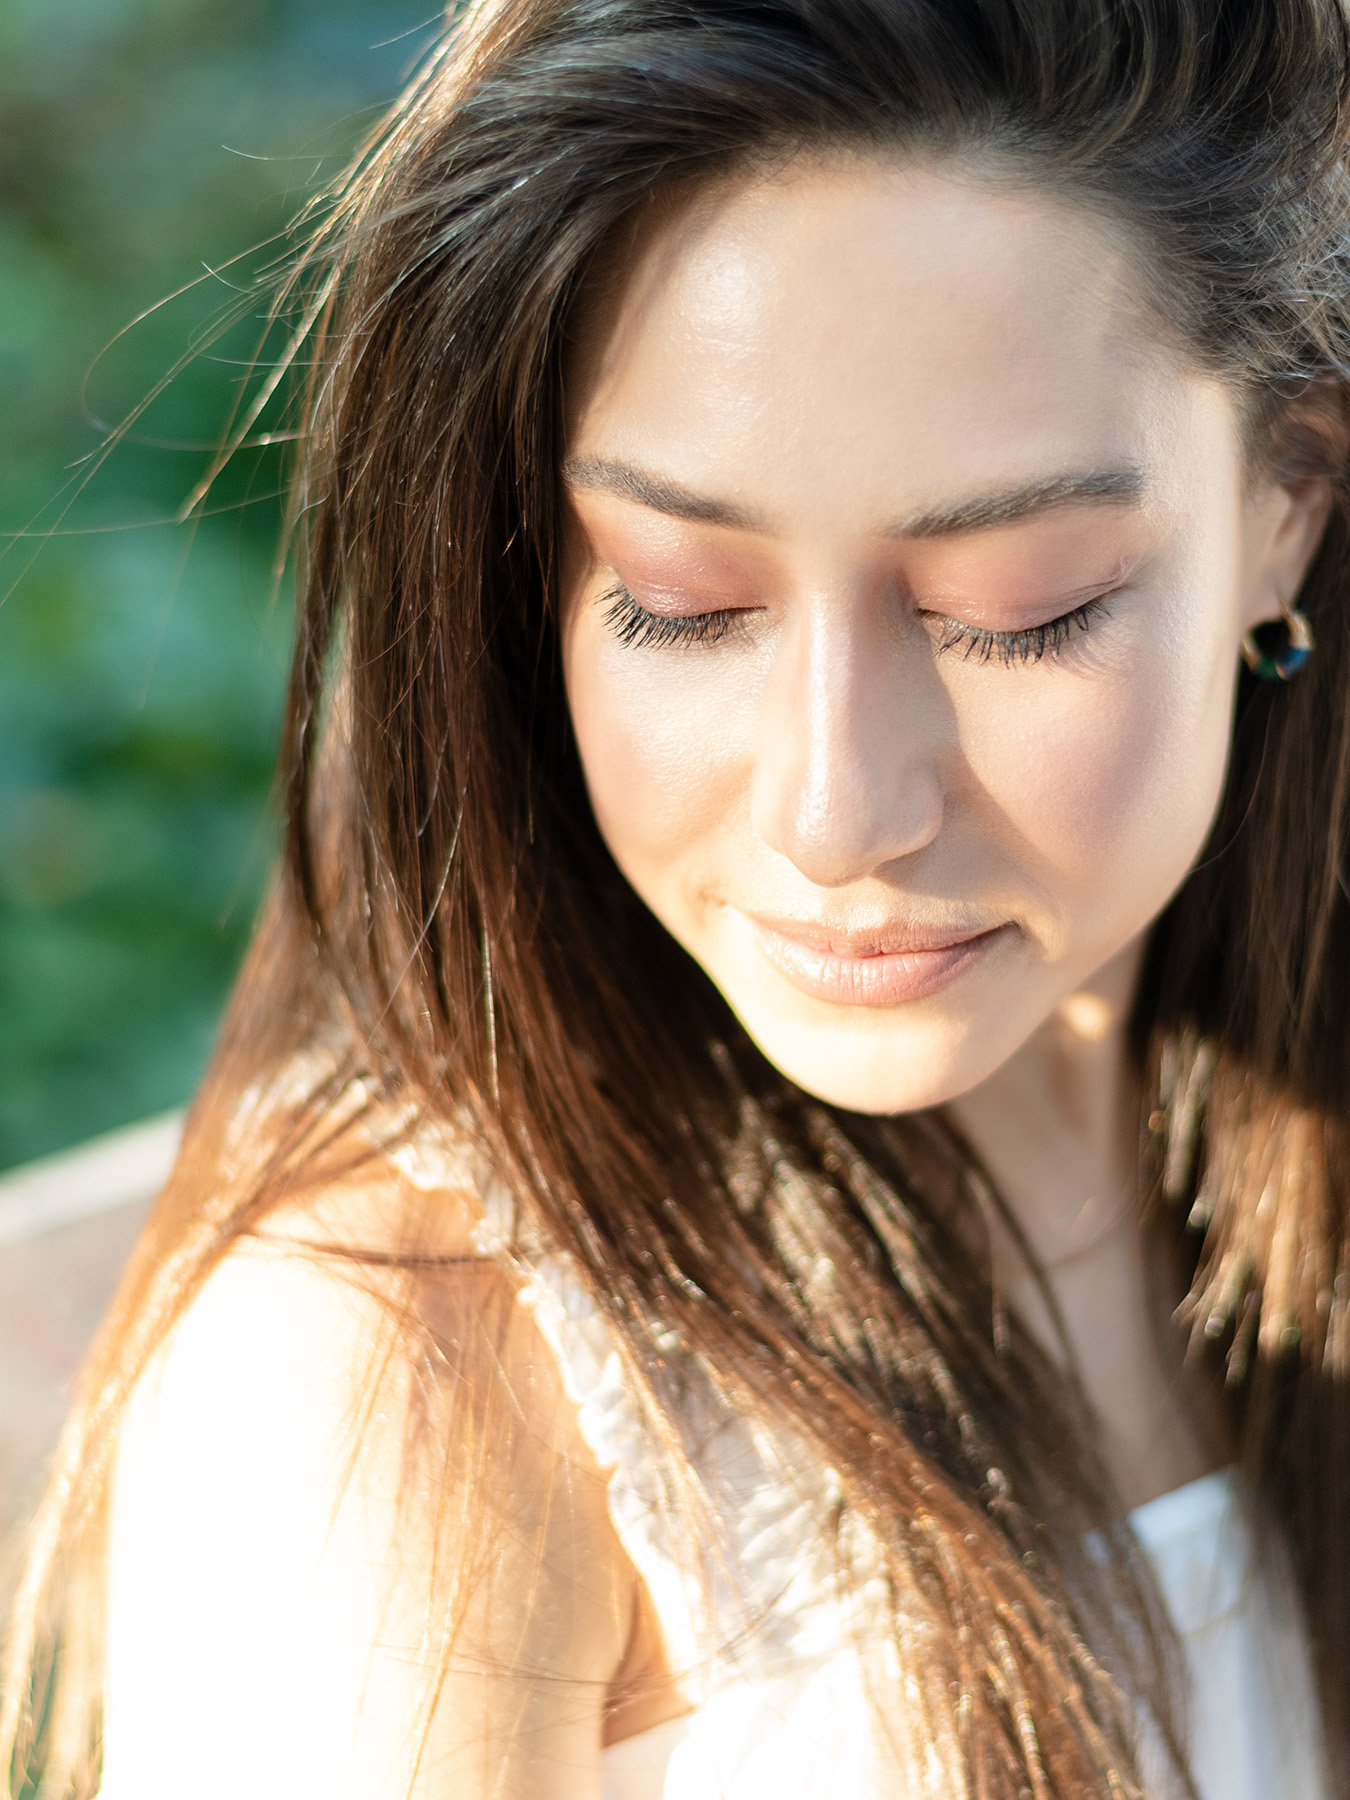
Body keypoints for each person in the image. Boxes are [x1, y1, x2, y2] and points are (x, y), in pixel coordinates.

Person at [4, 0, 1350, 1794]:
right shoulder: (410, 1377)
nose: (834, 813)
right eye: (679, 601)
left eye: (1017, 608)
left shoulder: (1270, 1128)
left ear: (1287, 503)